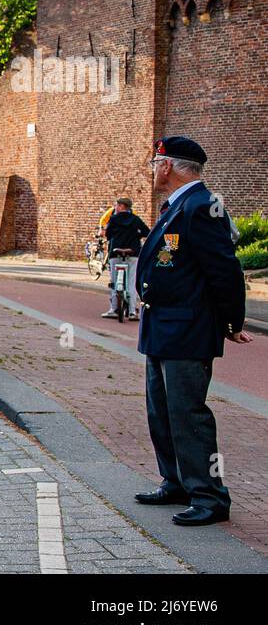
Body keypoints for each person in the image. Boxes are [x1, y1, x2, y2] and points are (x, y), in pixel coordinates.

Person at [135, 137, 252, 527]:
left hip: (187, 331)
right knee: (162, 412)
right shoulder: (178, 206)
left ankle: (210, 495)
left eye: (155, 163)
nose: (152, 170)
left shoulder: (201, 207)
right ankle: (177, 481)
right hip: (163, 327)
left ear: (168, 166)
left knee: (188, 415)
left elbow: (225, 270)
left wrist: (232, 323)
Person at [101, 196, 149, 320]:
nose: (115, 208)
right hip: (132, 253)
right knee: (132, 283)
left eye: (117, 205)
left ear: (122, 206)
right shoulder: (135, 219)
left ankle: (113, 309)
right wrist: (136, 235)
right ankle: (132, 311)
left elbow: (108, 234)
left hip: (116, 253)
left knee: (113, 281)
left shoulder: (113, 219)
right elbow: (146, 232)